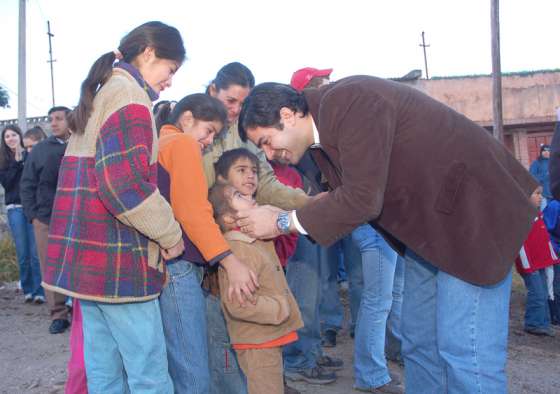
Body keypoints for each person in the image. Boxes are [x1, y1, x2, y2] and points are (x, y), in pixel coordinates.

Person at [236, 77, 538, 393]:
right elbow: (352, 195)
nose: (270, 154)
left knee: (465, 353)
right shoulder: (322, 139)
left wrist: (283, 222)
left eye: (266, 141)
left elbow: (362, 198)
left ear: (286, 115)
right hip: (429, 235)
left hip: (472, 222)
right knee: (420, 342)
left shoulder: (350, 102)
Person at [41, 21, 186, 392]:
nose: (170, 81)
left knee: (104, 374)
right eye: (171, 70)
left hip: (87, 267)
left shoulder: (105, 91)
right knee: (149, 376)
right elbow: (123, 185)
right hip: (119, 263)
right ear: (149, 53)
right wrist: (170, 233)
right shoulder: (131, 97)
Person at [202, 62, 309, 394]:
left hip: (242, 244)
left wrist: (316, 205)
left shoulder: (246, 135)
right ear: (212, 92)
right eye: (231, 101)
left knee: (254, 349)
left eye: (243, 103)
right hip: (209, 251)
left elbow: (268, 185)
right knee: (222, 347)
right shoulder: (195, 131)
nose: (236, 110)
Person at [156, 95, 258, 393]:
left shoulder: (159, 144)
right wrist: (230, 261)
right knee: (193, 372)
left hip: (169, 267)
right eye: (209, 131)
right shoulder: (182, 144)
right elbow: (193, 212)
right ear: (187, 119)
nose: (209, 141)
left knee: (179, 362)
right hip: (180, 268)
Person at [208, 180, 303, 394]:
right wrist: (280, 308)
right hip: (257, 343)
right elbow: (239, 305)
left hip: (266, 338)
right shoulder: (238, 251)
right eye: (239, 196)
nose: (250, 196)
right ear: (229, 218)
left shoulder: (252, 239)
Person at [20, 106, 72, 334]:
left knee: (79, 264)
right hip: (45, 218)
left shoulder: (82, 145)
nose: (54, 123)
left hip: (78, 217)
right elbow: (27, 183)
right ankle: (58, 314)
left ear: (71, 120)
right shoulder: (41, 150)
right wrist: (33, 216)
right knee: (50, 266)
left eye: (59, 119)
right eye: (51, 119)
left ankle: (83, 312)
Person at [0, 125, 43, 304]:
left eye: (13, 135)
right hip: (15, 208)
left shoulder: (30, 155)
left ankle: (39, 290)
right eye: (7, 136)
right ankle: (27, 289)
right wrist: (17, 163)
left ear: (19, 136)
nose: (10, 138)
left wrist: (23, 160)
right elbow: (8, 184)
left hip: (32, 208)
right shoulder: (3, 161)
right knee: (23, 253)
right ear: (4, 141)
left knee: (35, 253)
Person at [515, 186, 557, 337]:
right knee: (537, 293)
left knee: (544, 292)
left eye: (541, 194)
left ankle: (543, 323)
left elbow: (543, 240)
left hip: (540, 262)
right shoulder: (522, 216)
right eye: (537, 194)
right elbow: (521, 244)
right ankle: (533, 323)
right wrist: (527, 265)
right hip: (530, 264)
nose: (541, 197)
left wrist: (550, 257)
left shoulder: (538, 214)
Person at [529, 144, 552, 210]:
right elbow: (531, 178)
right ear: (541, 152)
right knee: (544, 215)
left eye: (548, 150)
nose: (546, 152)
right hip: (543, 196)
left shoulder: (554, 162)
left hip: (555, 195)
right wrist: (545, 175)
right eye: (544, 150)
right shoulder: (536, 163)